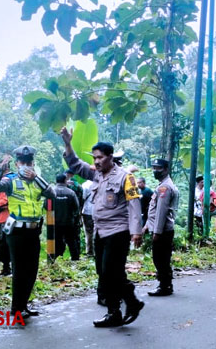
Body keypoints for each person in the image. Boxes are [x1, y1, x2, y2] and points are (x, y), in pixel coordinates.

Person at [61, 127, 144, 328]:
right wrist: (68, 143)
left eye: (100, 158)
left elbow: (134, 204)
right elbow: (75, 164)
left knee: (109, 272)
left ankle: (116, 311)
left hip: (119, 231)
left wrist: (136, 231)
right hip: (100, 231)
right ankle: (130, 302)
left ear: (110, 157)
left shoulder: (126, 177)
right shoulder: (98, 175)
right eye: (95, 158)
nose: (96, 162)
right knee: (104, 271)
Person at [0, 146, 54, 320]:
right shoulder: (10, 180)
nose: (26, 165)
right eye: (22, 162)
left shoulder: (37, 181)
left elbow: (51, 193)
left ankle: (23, 305)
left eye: (29, 162)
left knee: (32, 270)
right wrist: (0, 169)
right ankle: (16, 308)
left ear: (33, 163)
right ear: (17, 164)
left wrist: (37, 177)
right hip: (16, 232)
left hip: (33, 231)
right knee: (19, 270)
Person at [143, 159, 179, 297]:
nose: (155, 171)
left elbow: (161, 211)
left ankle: (165, 286)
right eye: (154, 168)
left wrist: (157, 232)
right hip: (161, 229)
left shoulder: (165, 188)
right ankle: (165, 284)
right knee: (161, 258)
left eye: (159, 168)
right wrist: (147, 226)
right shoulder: (162, 185)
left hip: (163, 230)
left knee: (160, 258)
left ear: (166, 169)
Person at [53, 173, 81, 261]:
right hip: (69, 222)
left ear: (56, 181)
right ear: (65, 181)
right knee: (71, 241)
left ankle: (57, 259)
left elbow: (46, 206)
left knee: (57, 241)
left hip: (55, 222)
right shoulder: (71, 193)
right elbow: (77, 207)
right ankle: (75, 259)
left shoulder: (52, 192)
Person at [81, 180, 95, 257]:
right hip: (99, 211)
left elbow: (82, 198)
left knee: (89, 232)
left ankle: (90, 252)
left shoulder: (85, 185)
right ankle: (99, 250)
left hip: (87, 211)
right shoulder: (101, 182)